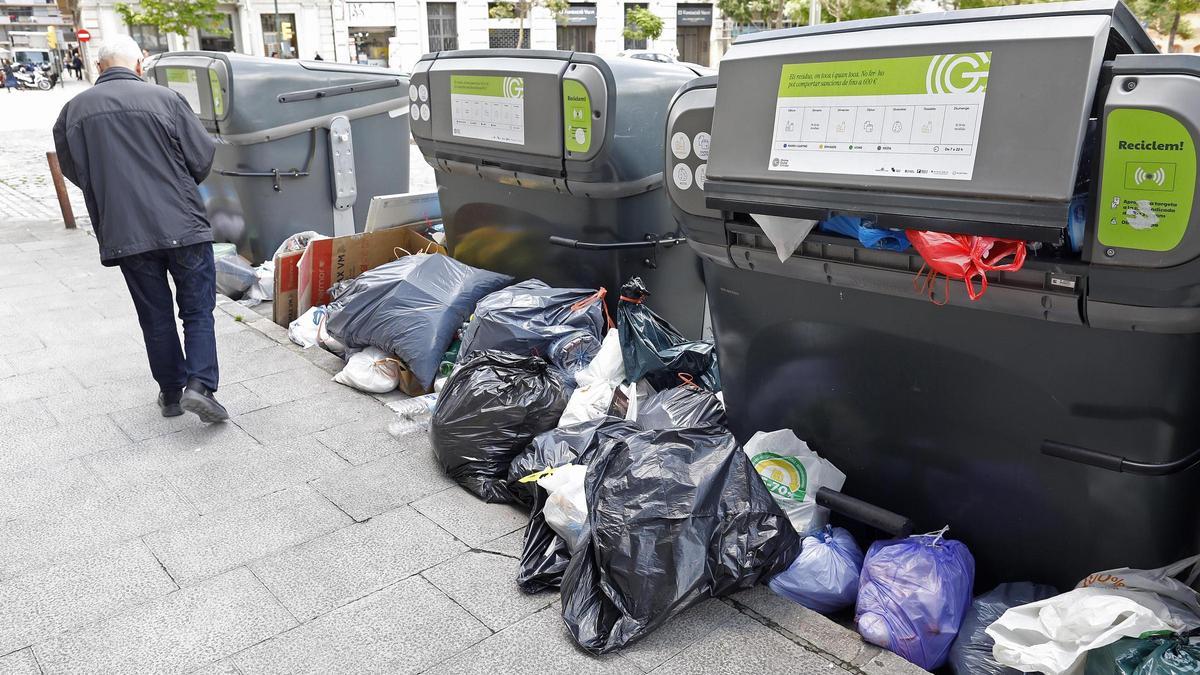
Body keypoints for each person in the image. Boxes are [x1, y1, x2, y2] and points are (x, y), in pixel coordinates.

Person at [52, 35, 229, 422]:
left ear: (98, 66)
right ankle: (200, 386)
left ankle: (171, 393)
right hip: (182, 222)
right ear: (138, 64)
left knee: (155, 315)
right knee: (197, 311)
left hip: (126, 231)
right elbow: (201, 158)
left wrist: (112, 191)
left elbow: (75, 170)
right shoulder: (166, 99)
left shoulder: (73, 111)